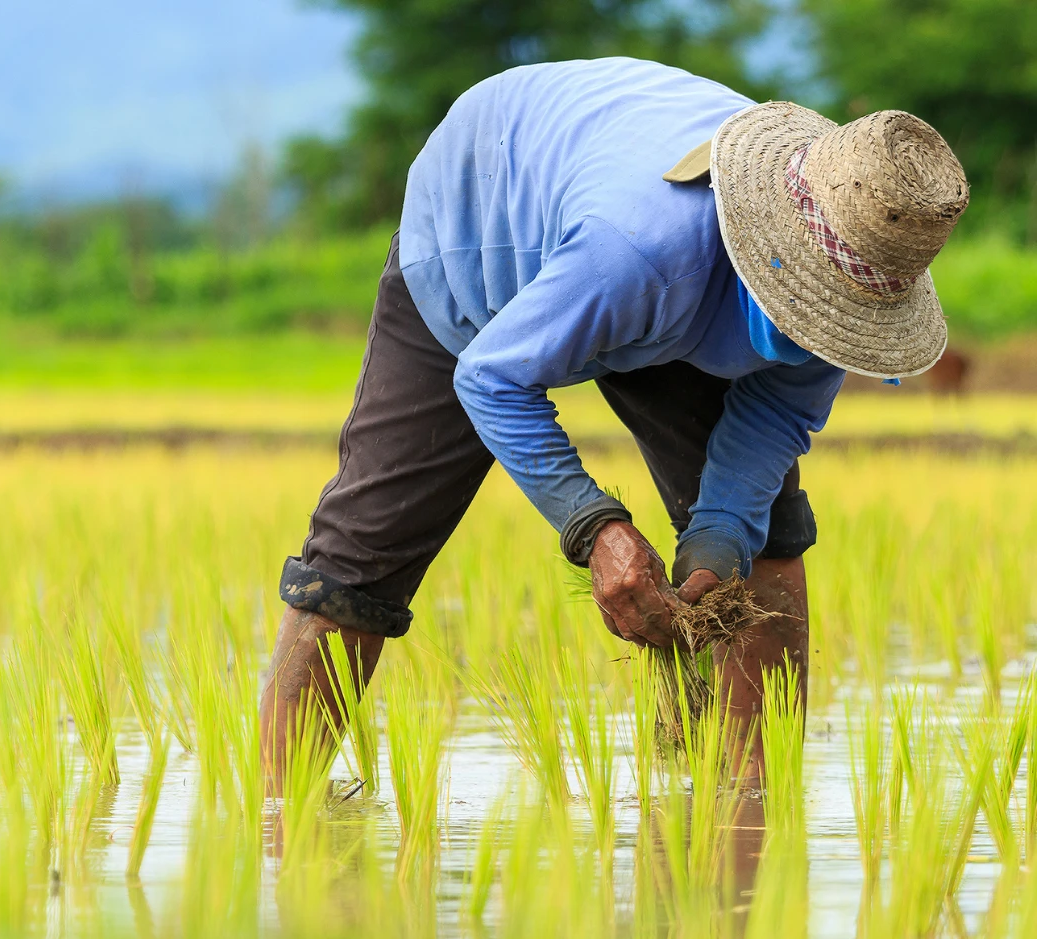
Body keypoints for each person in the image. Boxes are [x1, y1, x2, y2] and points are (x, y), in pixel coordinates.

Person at [259, 57, 969, 781]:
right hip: (485, 222)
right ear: (772, 254)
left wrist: (719, 536)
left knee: (764, 542)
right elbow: (491, 376)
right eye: (815, 306)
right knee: (364, 552)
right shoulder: (640, 250)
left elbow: (776, 416)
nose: (825, 328)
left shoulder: (854, 275)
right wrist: (594, 527)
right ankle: (277, 811)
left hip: (666, 281)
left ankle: (753, 803)